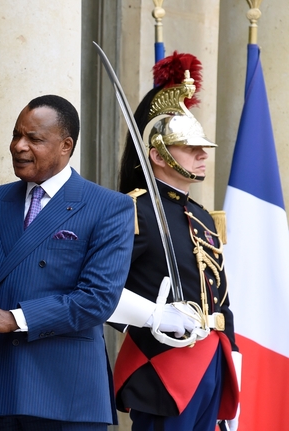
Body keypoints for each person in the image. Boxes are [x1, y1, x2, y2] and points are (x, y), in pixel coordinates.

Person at [0, 95, 135, 431]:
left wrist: (15, 318)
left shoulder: (109, 207)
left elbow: (98, 299)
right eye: (16, 135)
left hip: (67, 394)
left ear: (66, 145)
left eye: (34, 139)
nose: (19, 146)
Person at [113, 52, 241, 431]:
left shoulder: (203, 217)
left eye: (203, 147)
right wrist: (154, 317)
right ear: (159, 154)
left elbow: (222, 299)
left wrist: (234, 363)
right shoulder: (131, 210)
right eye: (190, 147)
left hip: (213, 363)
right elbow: (101, 289)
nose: (203, 154)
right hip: (162, 366)